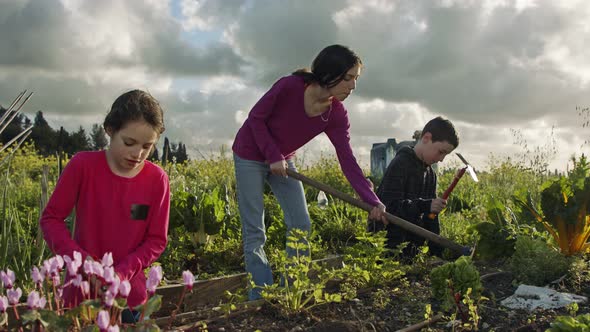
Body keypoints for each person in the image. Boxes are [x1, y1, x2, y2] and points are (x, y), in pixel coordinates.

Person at [232, 44, 387, 300]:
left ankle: (290, 291)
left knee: (301, 223)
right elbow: (255, 118)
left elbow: (347, 159)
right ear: (329, 73)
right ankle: (259, 296)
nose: (353, 87)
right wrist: (272, 155)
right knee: (254, 230)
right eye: (348, 78)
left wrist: (372, 200)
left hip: (283, 160)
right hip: (249, 153)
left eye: (356, 79)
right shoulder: (290, 86)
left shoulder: (336, 114)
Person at [40, 90, 170, 321]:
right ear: (110, 130)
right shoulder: (83, 166)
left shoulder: (156, 179)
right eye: (129, 142)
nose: (137, 154)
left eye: (147, 146)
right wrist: (82, 262)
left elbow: (156, 240)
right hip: (82, 296)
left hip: (130, 297)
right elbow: (51, 219)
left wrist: (121, 273)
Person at [368, 116, 459, 259]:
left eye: (445, 155)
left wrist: (437, 255)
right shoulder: (400, 164)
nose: (441, 159)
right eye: (441, 152)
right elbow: (390, 208)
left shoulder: (431, 175)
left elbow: (430, 218)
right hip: (387, 250)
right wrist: (426, 205)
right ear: (426, 138)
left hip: (412, 251)